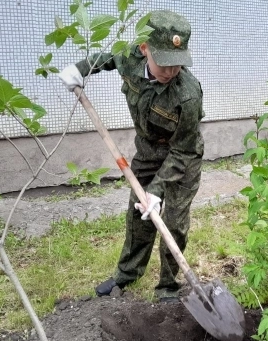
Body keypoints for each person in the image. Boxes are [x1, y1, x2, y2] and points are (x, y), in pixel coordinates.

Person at [58, 10, 205, 300]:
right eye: (164, 64)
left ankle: (167, 287)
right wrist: (81, 68)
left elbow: (184, 150)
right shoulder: (130, 57)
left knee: (173, 224)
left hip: (182, 159)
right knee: (138, 216)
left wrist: (158, 191)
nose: (171, 72)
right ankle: (127, 276)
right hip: (148, 153)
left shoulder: (188, 94)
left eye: (177, 65)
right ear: (144, 49)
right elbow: (110, 57)